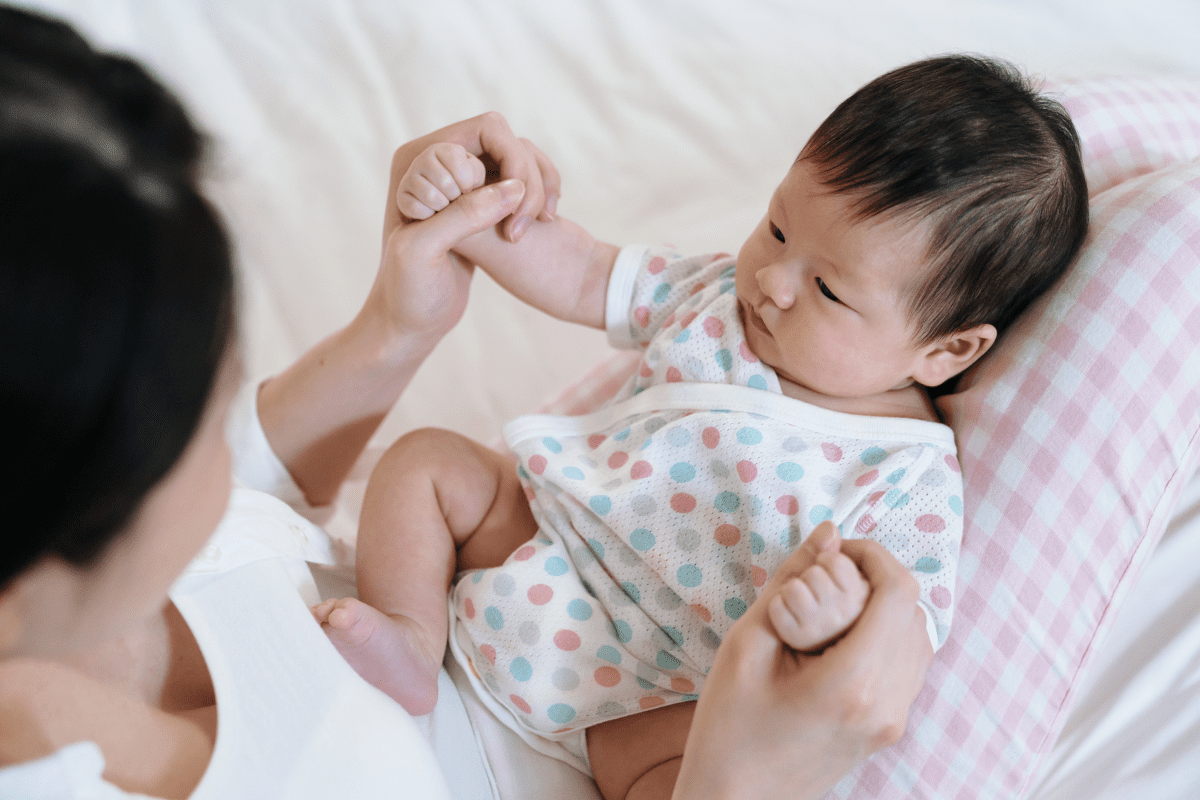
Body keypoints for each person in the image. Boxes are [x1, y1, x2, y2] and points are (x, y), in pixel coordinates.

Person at [0, 6, 936, 799]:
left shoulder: (74, 548)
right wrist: (755, 769)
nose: (771, 283)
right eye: (198, 419)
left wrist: (396, 325)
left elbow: (248, 494)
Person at [313, 55, 1089, 800]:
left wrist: (830, 620)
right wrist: (471, 209)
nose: (774, 281)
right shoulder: (716, 297)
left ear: (944, 350)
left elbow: (897, 629)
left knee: (707, 762)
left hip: (651, 693)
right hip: (539, 543)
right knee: (426, 462)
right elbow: (584, 270)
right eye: (779, 228)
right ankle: (412, 638)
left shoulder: (907, 472)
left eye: (829, 289)